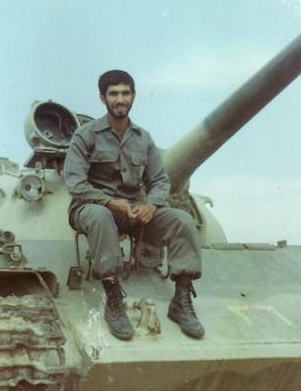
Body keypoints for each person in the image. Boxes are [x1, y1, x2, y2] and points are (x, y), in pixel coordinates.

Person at [63, 69, 205, 341]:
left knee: (181, 220)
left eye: (125, 93)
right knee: (101, 216)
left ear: (134, 96)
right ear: (103, 98)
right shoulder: (86, 136)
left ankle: (181, 299)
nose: (120, 99)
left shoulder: (143, 138)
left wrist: (152, 204)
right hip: (90, 207)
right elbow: (75, 183)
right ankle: (113, 296)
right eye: (113, 94)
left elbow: (160, 180)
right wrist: (109, 201)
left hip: (133, 209)